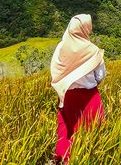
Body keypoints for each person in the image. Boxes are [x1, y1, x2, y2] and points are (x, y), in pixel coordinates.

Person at [50, 14, 105, 164]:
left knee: (66, 130)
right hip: (89, 97)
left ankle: (62, 159)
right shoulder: (93, 51)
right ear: (86, 29)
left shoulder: (60, 48)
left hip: (67, 96)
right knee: (92, 132)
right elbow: (100, 75)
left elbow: (54, 70)